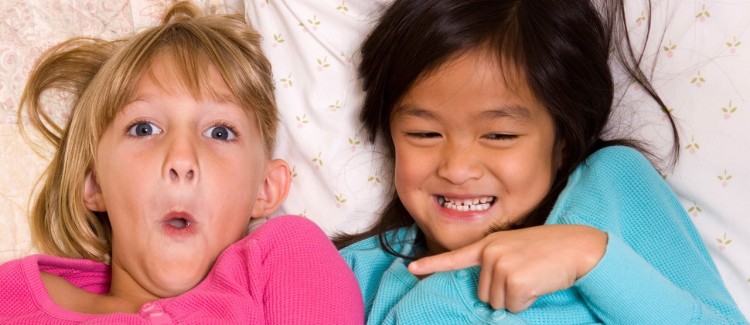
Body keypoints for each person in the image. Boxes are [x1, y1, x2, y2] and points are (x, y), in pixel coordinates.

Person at [335, 0, 747, 323]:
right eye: (424, 134)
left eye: (500, 135)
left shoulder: (611, 189)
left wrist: (590, 257)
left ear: (564, 139)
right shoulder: (358, 273)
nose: (458, 168)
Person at [0, 1, 363, 323]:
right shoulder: (13, 296)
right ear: (92, 183)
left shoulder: (288, 258)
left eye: (220, 133)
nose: (182, 159)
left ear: (266, 189)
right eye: (144, 128)